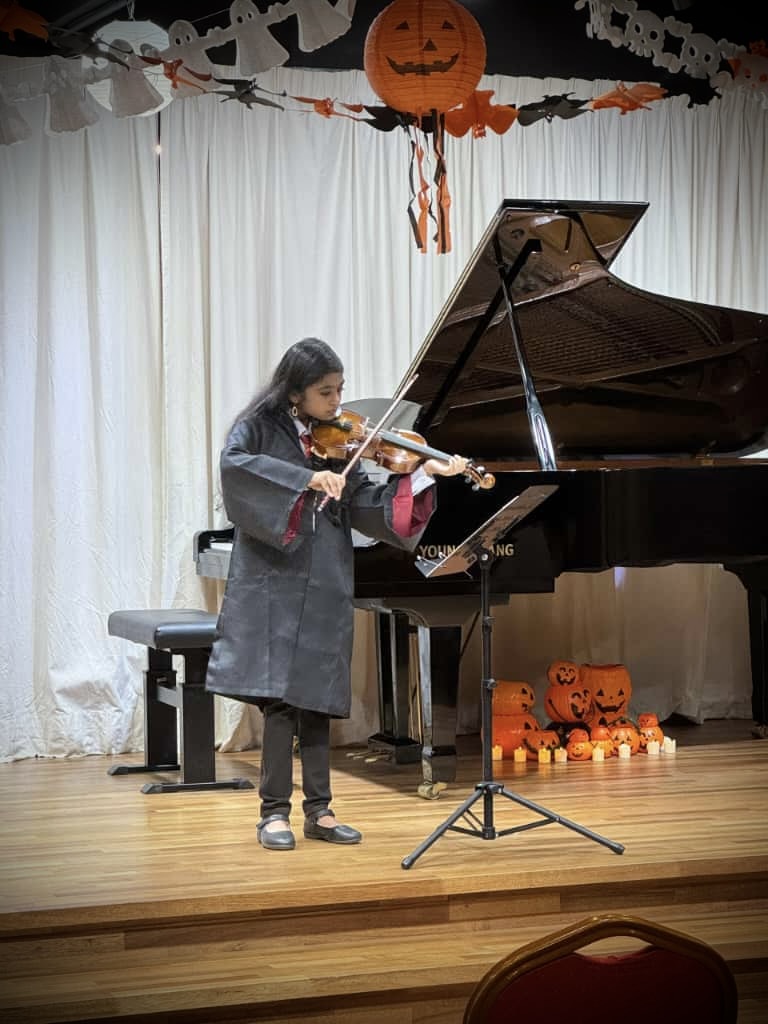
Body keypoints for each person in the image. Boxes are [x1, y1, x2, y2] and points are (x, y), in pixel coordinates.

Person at [205, 337, 468, 850]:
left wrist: (422, 475)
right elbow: (236, 469)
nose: (336, 402)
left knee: (318, 697)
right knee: (281, 698)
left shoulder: (341, 440)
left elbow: (367, 501)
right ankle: (273, 813)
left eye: (340, 390)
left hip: (325, 574)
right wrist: (306, 479)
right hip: (274, 579)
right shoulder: (257, 427)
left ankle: (319, 811)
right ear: (295, 391)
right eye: (326, 392)